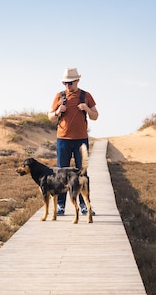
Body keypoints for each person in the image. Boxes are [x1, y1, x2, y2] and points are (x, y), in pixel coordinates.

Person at [48, 67, 99, 216]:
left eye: (70, 83)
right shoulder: (60, 96)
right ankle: (61, 206)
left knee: (82, 173)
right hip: (63, 139)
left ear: (77, 81)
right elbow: (49, 116)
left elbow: (95, 116)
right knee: (61, 173)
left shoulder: (86, 95)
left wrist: (87, 109)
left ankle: (85, 205)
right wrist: (58, 112)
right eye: (65, 83)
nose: (67, 86)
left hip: (81, 140)